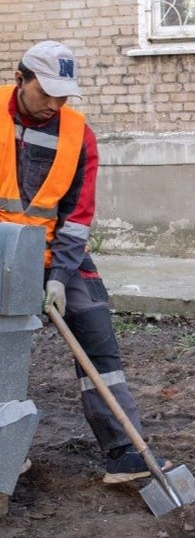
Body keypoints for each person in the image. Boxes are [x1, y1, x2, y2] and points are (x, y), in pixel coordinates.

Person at [1, 40, 167, 484]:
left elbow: (77, 218)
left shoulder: (78, 135)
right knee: (5, 351)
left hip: (56, 252)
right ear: (20, 79)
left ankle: (126, 453)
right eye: (46, 93)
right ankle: (5, 454)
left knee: (96, 331)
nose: (54, 104)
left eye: (63, 95)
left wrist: (57, 277)